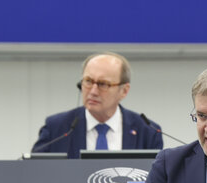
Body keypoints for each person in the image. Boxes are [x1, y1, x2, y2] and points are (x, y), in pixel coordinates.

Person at [32, 52, 163, 158]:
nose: (93, 91)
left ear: (124, 91)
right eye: (88, 81)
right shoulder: (57, 129)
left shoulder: (147, 132)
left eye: (103, 84)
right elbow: (34, 174)